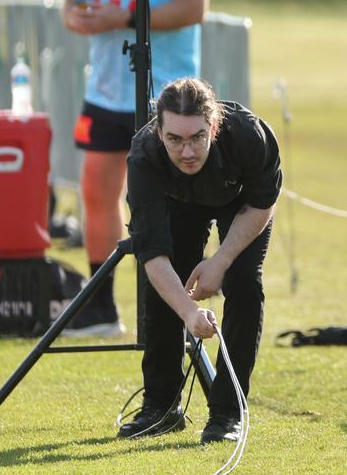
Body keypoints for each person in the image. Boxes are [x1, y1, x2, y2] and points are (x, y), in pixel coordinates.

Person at [58, 0, 211, 336]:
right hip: (106, 90)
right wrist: (79, 18)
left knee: (173, 201)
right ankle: (101, 307)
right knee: (95, 189)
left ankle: (177, 312)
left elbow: (195, 6)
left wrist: (125, 16)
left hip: (169, 96)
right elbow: (69, 4)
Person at [119, 77, 281, 444]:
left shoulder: (249, 136)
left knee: (243, 282)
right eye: (174, 139)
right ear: (158, 131)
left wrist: (220, 262)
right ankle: (161, 407)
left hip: (240, 205)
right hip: (178, 203)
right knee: (163, 287)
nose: (187, 151)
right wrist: (189, 313)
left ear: (214, 126)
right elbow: (152, 254)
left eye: (197, 138)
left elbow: (262, 204)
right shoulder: (144, 156)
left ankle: (227, 413)